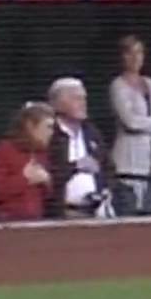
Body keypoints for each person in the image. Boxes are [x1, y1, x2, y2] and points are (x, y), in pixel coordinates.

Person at [110, 35, 151, 216]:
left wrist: (150, 121)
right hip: (129, 157)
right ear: (122, 57)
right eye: (130, 53)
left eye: (139, 52)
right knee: (130, 207)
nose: (135, 57)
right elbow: (130, 121)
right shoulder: (118, 85)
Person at [46, 77, 113, 219]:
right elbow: (48, 172)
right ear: (58, 104)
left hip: (96, 212)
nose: (83, 104)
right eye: (76, 99)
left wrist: (106, 189)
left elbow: (109, 166)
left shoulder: (91, 132)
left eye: (84, 99)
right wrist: (75, 167)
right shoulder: (50, 134)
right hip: (62, 214)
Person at [0, 102, 55, 222]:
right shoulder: (5, 150)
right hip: (6, 224)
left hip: (36, 223)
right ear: (30, 126)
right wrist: (24, 178)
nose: (52, 132)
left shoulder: (41, 154)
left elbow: (47, 197)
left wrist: (47, 181)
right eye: (48, 127)